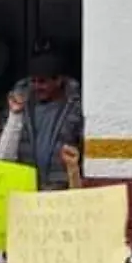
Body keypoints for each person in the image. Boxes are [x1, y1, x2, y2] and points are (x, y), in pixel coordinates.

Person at [10, 54, 83, 191]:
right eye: (34, 81)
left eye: (42, 82)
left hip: (60, 188)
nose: (37, 86)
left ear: (58, 81)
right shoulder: (20, 105)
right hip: (26, 186)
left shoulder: (75, 109)